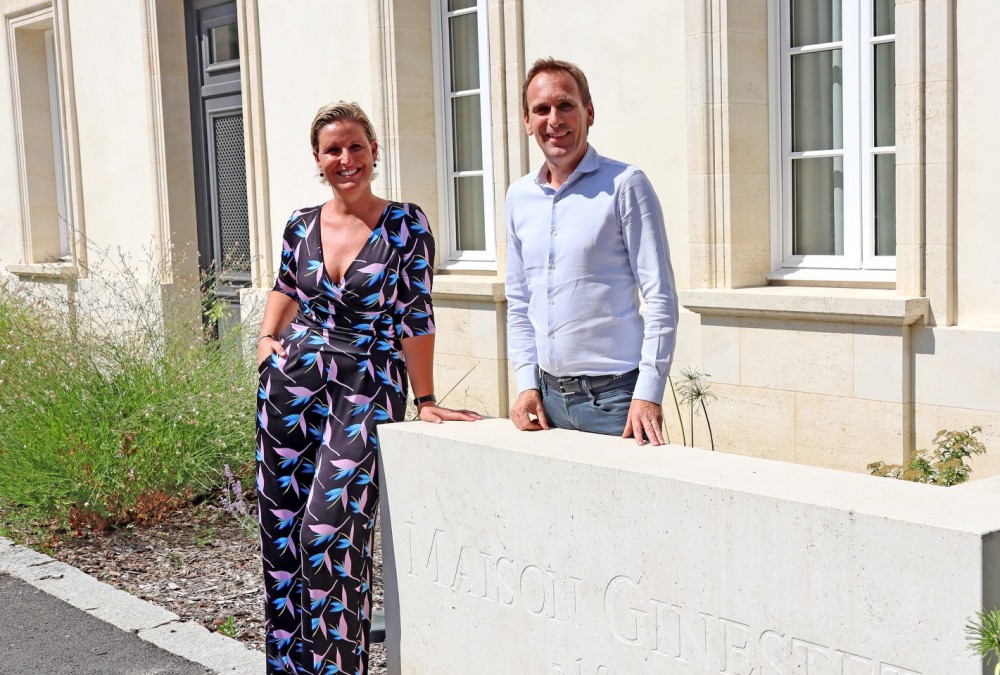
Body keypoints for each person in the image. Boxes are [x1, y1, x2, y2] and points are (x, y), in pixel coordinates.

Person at [255, 101, 480, 675]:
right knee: (282, 534)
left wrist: (425, 401)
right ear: (318, 159)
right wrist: (265, 338)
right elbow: (287, 281)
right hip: (291, 385)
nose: (346, 158)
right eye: (334, 149)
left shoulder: (406, 224)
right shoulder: (301, 223)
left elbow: (415, 315)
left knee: (329, 533)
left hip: (365, 384)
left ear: (374, 152)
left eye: (356, 146)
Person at [505, 58, 678, 446]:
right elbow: (519, 302)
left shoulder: (625, 185)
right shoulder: (519, 197)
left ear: (589, 112)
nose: (555, 119)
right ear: (527, 121)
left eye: (565, 105)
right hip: (545, 403)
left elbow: (661, 297)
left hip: (616, 402)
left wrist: (648, 393)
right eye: (541, 109)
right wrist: (524, 383)